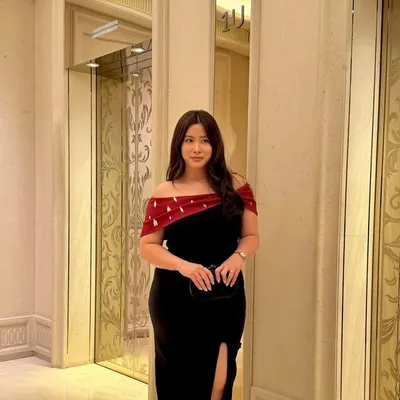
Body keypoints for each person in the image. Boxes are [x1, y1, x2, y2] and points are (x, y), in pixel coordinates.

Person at [139, 110, 259, 400]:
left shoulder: (237, 186)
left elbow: (251, 236)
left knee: (220, 379)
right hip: (175, 299)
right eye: (189, 140)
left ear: (215, 145)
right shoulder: (165, 192)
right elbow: (147, 246)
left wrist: (238, 257)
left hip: (225, 296)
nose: (197, 148)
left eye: (204, 140)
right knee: (179, 381)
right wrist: (185, 266)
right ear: (179, 145)